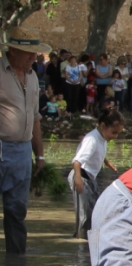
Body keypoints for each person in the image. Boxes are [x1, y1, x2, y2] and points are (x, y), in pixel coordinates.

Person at [0, 27, 50, 254]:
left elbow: (35, 117)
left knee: (17, 211)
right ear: (12, 51)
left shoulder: (32, 77)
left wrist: (39, 154)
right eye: (28, 53)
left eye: (35, 53)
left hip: (22, 152)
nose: (34, 57)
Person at [67, 109, 123, 239]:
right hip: (81, 176)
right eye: (114, 132)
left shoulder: (102, 137)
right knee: (85, 215)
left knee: (96, 210)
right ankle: (81, 242)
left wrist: (108, 163)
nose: (115, 136)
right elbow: (76, 161)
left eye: (118, 133)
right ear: (103, 126)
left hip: (90, 178)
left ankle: (90, 239)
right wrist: (78, 179)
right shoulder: (91, 139)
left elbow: (98, 153)